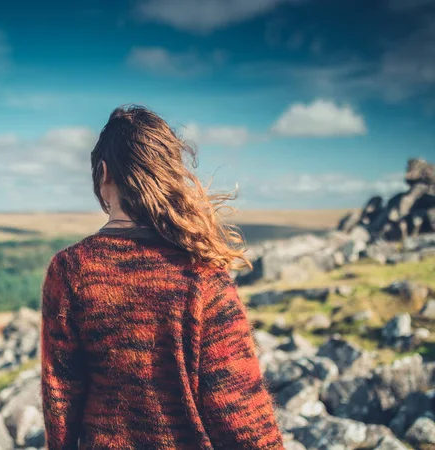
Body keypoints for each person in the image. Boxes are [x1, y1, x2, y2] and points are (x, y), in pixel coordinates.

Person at [41, 105, 284, 449]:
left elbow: (61, 400)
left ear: (103, 173)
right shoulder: (204, 279)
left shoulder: (69, 271)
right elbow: (242, 417)